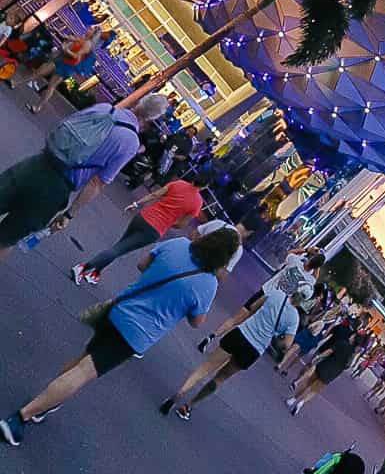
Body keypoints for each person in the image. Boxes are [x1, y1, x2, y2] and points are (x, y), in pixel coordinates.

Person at [0, 225, 238, 445]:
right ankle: (20, 418)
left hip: (119, 308)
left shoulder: (178, 244)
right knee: (84, 372)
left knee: (84, 357)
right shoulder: (208, 285)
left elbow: (143, 264)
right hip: (136, 334)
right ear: (224, 259)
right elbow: (197, 322)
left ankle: (42, 404)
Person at [0, 93, 171, 261]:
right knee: (6, 239)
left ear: (140, 102)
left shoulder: (105, 109)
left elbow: (66, 125)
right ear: (153, 118)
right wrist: (69, 214)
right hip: (56, 189)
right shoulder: (130, 142)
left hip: (37, 163)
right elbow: (96, 183)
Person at [158, 284, 299, 420]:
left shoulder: (276, 294)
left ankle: (179, 392)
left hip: (241, 333)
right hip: (254, 349)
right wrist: (276, 337)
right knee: (220, 378)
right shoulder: (294, 319)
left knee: (205, 368)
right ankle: (188, 406)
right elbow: (286, 345)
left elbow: (253, 307)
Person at [71, 174, 203, 285]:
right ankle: (83, 268)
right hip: (155, 229)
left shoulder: (178, 183)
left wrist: (136, 203)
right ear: (205, 185)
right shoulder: (197, 203)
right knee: (119, 250)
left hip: (143, 216)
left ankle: (96, 272)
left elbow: (154, 195)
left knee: (120, 245)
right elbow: (181, 224)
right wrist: (168, 222)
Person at [195, 246, 324, 353]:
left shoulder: (294, 262)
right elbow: (315, 276)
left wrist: (307, 250)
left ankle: (212, 336)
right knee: (248, 327)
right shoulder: (309, 281)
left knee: (236, 318)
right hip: (276, 303)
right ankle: (224, 349)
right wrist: (318, 263)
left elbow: (290, 252)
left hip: (264, 292)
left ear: (309, 259)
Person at [25, 25, 109, 112]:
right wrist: (62, 35)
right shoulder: (83, 38)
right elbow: (72, 38)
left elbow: (76, 56)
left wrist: (66, 49)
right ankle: (26, 88)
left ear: (93, 34)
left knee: (51, 85)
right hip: (63, 60)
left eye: (91, 29)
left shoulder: (88, 44)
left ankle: (38, 106)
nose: (88, 29)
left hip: (67, 66)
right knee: (46, 78)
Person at [287, 313, 357, 414]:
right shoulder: (352, 354)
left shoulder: (342, 342)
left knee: (308, 383)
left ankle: (294, 398)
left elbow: (329, 350)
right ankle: (301, 403)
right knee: (314, 390)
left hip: (325, 365)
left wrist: (319, 357)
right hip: (332, 374)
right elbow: (347, 366)